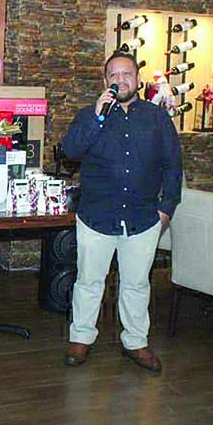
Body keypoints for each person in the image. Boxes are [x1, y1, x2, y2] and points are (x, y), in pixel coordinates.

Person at [61, 50, 182, 373]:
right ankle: (81, 337)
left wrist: (166, 209)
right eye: (113, 75)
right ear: (105, 81)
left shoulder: (157, 119)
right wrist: (97, 116)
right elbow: (71, 151)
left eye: (126, 74)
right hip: (96, 216)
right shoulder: (90, 115)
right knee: (88, 281)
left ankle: (136, 341)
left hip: (143, 218)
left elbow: (173, 165)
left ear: (138, 80)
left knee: (137, 284)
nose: (120, 80)